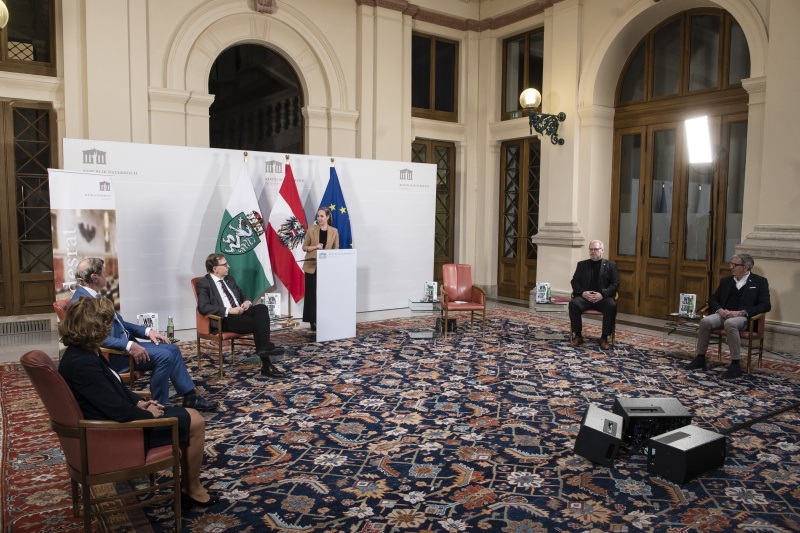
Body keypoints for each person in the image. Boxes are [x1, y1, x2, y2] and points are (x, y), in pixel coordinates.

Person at [58, 296, 219, 507]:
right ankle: (192, 489)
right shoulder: (83, 365)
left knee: (187, 415)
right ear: (93, 328)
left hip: (117, 423)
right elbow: (117, 411)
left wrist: (138, 402)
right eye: (106, 324)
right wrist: (147, 414)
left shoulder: (81, 354)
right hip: (118, 435)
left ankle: (189, 484)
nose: (109, 329)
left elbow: (112, 390)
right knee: (195, 421)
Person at [72, 258, 218, 411]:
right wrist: (129, 345)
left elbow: (121, 323)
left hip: (125, 346)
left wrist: (148, 331)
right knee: (165, 356)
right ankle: (159, 405)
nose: (107, 275)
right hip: (115, 355)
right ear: (94, 277)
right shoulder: (80, 302)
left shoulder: (94, 296)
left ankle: (190, 396)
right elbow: (94, 339)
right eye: (104, 272)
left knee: (172, 348)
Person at [195, 253, 286, 378]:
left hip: (240, 312)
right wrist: (229, 310)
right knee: (257, 324)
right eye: (225, 265)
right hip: (225, 318)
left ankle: (265, 346)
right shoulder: (204, 284)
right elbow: (203, 307)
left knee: (262, 308)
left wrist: (246, 302)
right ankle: (267, 364)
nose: (228, 266)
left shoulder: (229, 279)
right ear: (215, 268)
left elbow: (242, 294)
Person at [685, 253, 771, 379]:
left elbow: (765, 305)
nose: (731, 267)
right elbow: (713, 299)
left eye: (734, 265)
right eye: (731, 264)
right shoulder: (726, 281)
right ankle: (700, 357)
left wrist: (741, 312)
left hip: (743, 317)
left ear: (746, 267)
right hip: (724, 314)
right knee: (705, 321)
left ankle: (735, 364)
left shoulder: (760, 282)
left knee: (730, 323)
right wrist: (719, 310)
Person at [568, 240, 619, 350]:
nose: (593, 252)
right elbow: (574, 282)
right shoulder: (582, 265)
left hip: (602, 298)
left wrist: (602, 294)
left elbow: (615, 284)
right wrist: (583, 293)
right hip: (585, 298)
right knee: (574, 304)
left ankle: (604, 338)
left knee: (611, 306)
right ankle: (578, 336)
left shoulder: (610, 265)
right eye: (591, 249)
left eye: (596, 249)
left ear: (602, 251)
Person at [302, 207, 340, 331]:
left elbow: (336, 249)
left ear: (327, 217)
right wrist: (315, 247)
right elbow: (304, 247)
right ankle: (312, 320)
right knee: (312, 294)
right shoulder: (311, 229)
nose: (319, 218)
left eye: (322, 216)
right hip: (311, 267)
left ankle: (325, 319)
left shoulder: (334, 231)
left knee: (325, 295)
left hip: (326, 267)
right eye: (318, 216)